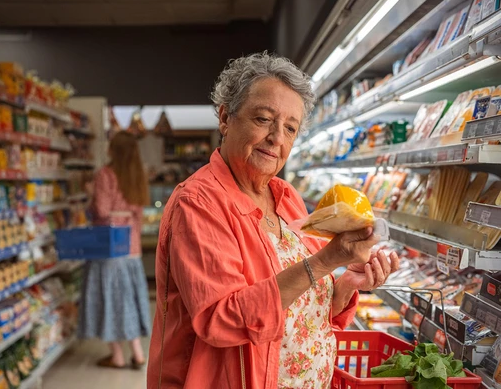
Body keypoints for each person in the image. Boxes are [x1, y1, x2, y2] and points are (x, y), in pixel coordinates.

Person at [147, 53, 400, 388]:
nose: (277, 138)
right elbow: (220, 320)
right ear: (225, 117)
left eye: (290, 128)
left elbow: (305, 308)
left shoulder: (287, 197)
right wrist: (327, 260)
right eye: (264, 119)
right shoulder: (198, 202)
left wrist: (346, 284)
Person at [80, 131, 151, 370]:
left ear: (114, 150)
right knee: (128, 300)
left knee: (108, 300)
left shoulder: (104, 174)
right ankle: (138, 354)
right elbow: (138, 213)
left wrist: (90, 194)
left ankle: (118, 356)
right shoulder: (138, 176)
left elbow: (101, 209)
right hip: (131, 248)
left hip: (108, 247)